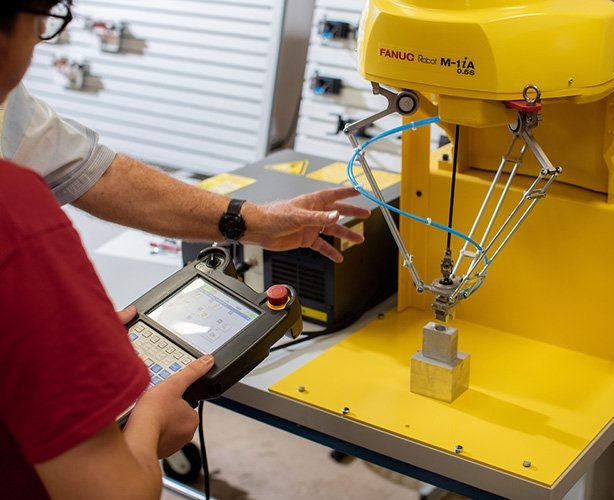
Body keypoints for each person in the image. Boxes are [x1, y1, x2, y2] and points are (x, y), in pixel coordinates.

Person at [0, 2, 213, 498]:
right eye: (42, 20)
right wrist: (154, 415)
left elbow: (87, 166)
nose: (39, 39)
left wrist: (59, 344)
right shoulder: (15, 215)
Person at [1, 4, 370, 264]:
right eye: (43, 20)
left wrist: (256, 222)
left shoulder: (11, 109)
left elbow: (92, 173)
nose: (39, 41)